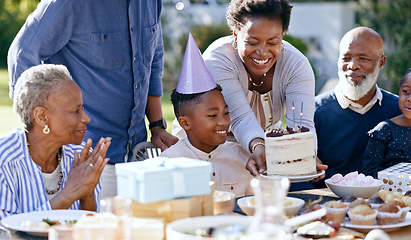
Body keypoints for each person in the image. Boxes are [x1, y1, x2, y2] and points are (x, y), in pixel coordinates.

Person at [7, 0, 178, 198]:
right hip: (81, 162)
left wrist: (157, 126)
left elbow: (153, 60)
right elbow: (22, 53)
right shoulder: (70, 3)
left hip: (137, 160)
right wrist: (42, 135)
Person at [0, 64, 110, 223]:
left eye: (83, 108)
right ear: (42, 116)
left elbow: (90, 230)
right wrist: (68, 194)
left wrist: (86, 193)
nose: (86, 118)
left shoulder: (79, 154)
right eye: (76, 110)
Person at [201, 0, 325, 177]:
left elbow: (302, 124)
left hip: (264, 156)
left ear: (282, 36)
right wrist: (259, 146)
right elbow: (240, 117)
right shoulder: (218, 60)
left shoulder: (297, 66)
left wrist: (305, 157)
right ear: (236, 36)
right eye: (252, 42)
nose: (262, 52)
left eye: (273, 42)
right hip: (208, 152)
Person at [160, 34, 253, 197]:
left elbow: (257, 202)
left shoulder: (243, 157)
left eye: (226, 113)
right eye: (212, 115)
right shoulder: (169, 162)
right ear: (185, 123)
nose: (224, 122)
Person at [314, 27, 401, 187]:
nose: (353, 66)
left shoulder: (400, 112)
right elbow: (297, 179)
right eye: (346, 58)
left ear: (381, 62)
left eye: (363, 58)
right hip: (328, 205)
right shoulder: (313, 112)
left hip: (386, 206)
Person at [363, 69, 411, 178]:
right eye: (406, 91)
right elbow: (370, 170)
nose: (410, 99)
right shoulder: (385, 130)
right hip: (389, 193)